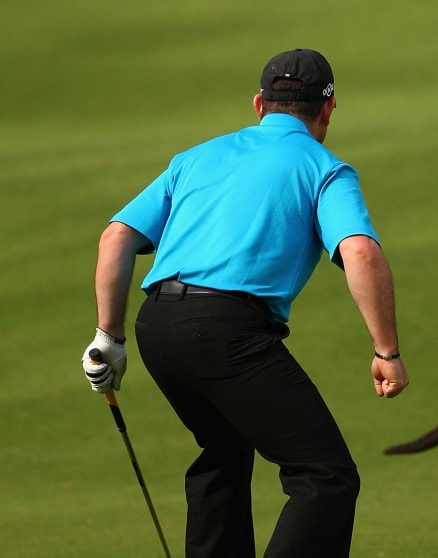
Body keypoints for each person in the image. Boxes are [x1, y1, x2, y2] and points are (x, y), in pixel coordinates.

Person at [80, 48, 409, 558]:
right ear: (328, 109)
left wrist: (108, 337)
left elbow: (116, 237)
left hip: (156, 327)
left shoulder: (194, 158)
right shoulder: (325, 168)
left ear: (259, 104)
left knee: (224, 455)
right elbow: (361, 251)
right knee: (326, 476)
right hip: (227, 331)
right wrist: (386, 351)